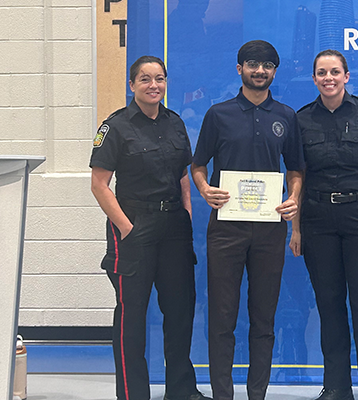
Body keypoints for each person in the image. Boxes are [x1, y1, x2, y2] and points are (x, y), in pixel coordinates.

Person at [90, 56, 210, 400]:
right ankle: (132, 393)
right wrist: (126, 228)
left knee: (180, 312)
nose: (153, 85)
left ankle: (182, 390)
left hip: (173, 226)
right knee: (132, 320)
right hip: (134, 227)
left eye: (159, 79)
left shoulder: (175, 123)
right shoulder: (115, 127)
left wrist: (186, 215)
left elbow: (183, 175)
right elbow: (99, 184)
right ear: (132, 85)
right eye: (145, 79)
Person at [190, 40, 304, 400]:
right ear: (239, 69)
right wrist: (205, 189)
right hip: (226, 228)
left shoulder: (286, 116)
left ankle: (258, 394)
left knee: (264, 317)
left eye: (267, 65)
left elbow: (296, 169)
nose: (260, 70)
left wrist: (293, 198)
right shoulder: (218, 114)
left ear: (274, 71)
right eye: (252, 64)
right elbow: (197, 165)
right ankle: (223, 394)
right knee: (222, 316)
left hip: (270, 229)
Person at [291, 49, 358, 400]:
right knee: (329, 307)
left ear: (347, 76)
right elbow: (299, 177)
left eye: (335, 71)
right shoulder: (302, 119)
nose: (328, 78)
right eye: (321, 72)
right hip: (318, 221)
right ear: (314, 78)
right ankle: (336, 388)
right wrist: (296, 229)